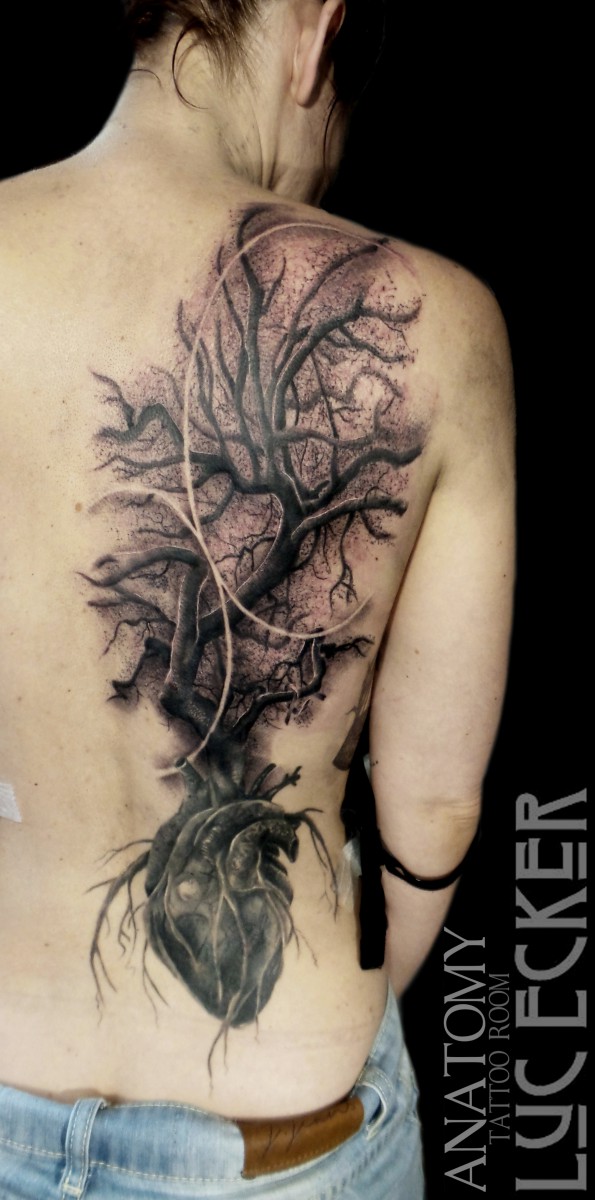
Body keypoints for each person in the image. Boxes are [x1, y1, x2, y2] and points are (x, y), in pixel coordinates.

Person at [0, 1, 515, 1196]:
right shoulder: (436, 322)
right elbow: (435, 804)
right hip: (284, 1134)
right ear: (317, 28)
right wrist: (357, 1000)